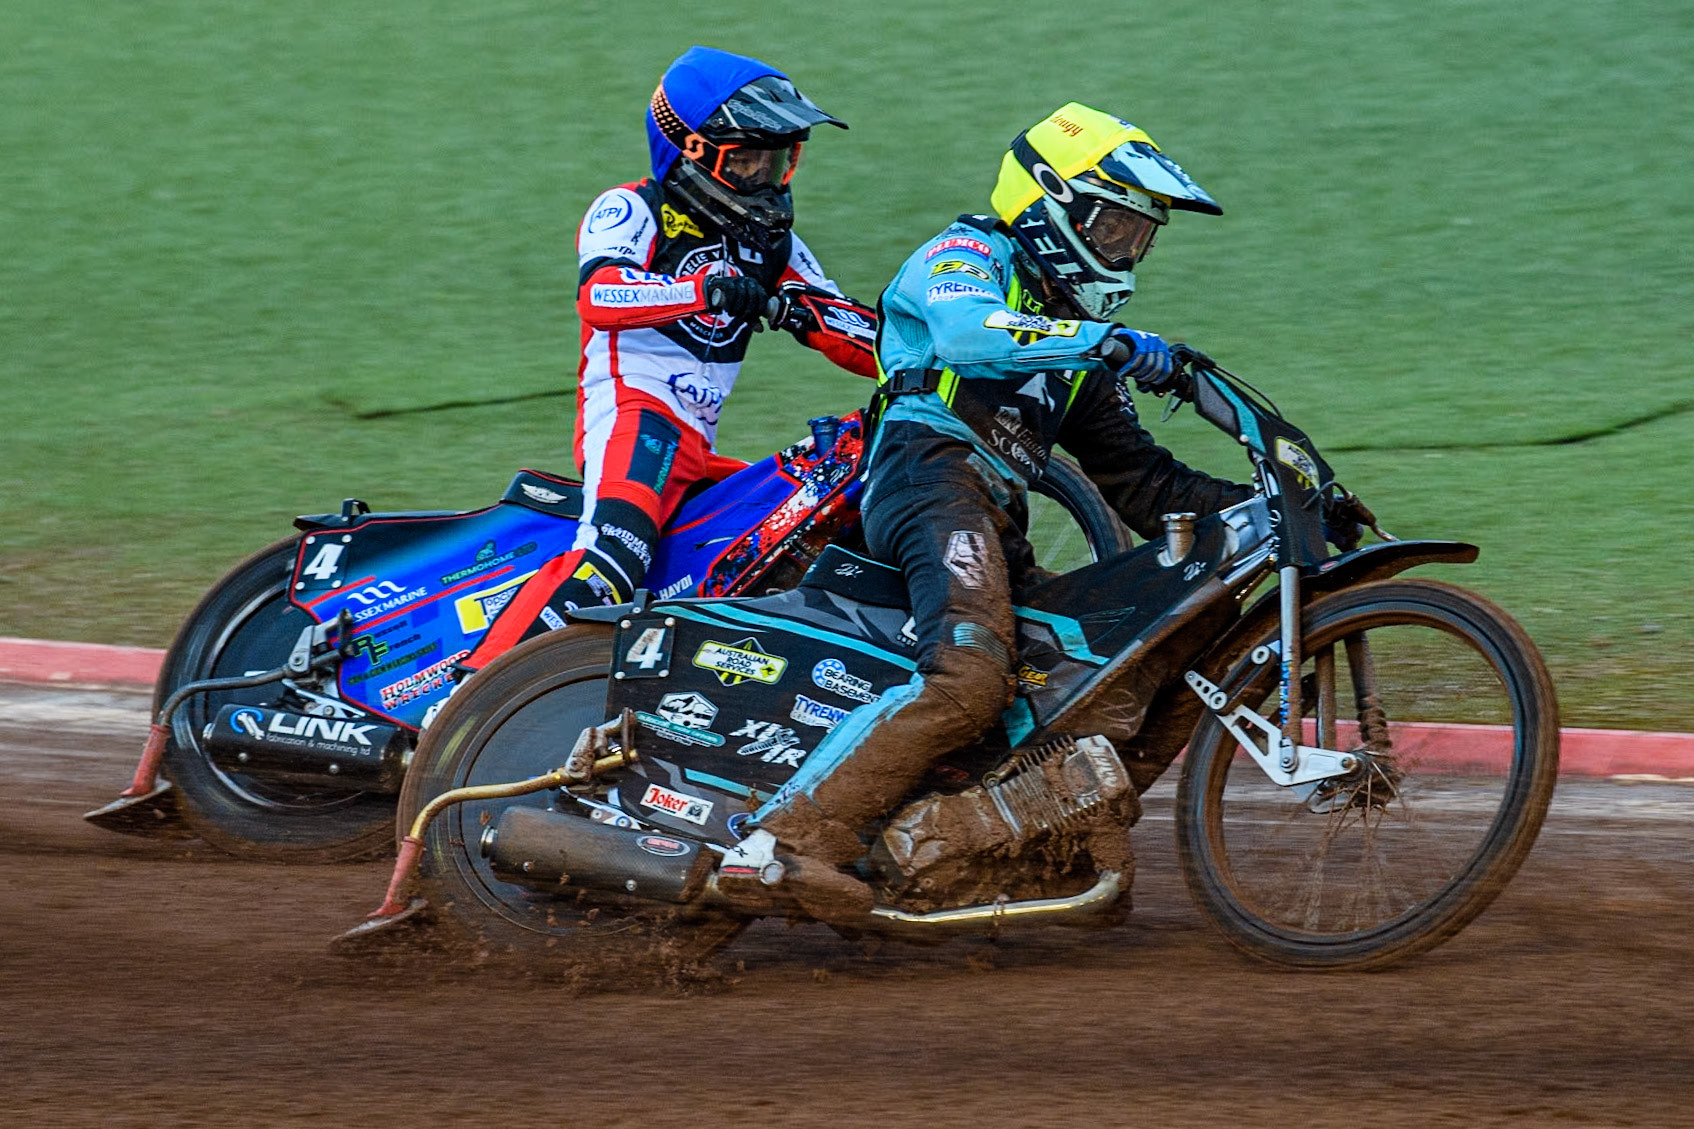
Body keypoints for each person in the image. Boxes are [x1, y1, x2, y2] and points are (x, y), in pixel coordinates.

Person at [735, 103, 1259, 921]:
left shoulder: (1077, 341)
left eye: (1138, 236)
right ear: (1051, 205)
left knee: (1108, 672)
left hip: (990, 513)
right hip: (925, 475)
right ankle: (777, 843)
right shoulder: (970, 250)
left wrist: (1269, 506)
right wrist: (1106, 345)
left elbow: (1145, 484)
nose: (1126, 250)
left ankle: (1000, 841)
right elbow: (970, 336)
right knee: (973, 674)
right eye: (1113, 224)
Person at [464, 46, 878, 671]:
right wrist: (699, 289)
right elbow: (599, 295)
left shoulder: (778, 247)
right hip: (638, 415)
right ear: (688, 150)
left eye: (776, 158)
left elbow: (858, 335)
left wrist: (870, 334)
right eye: (746, 159)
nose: (764, 177)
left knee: (805, 528)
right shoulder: (632, 207)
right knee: (612, 559)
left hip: (698, 447)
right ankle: (461, 706)